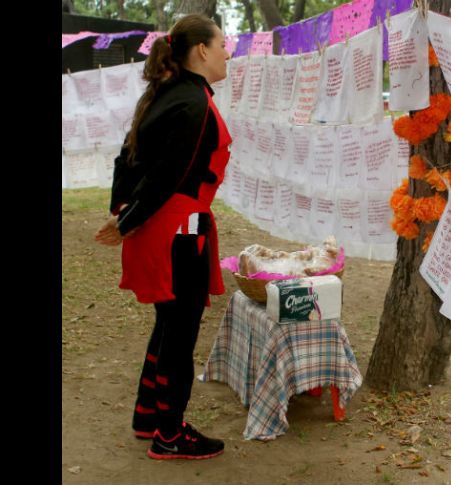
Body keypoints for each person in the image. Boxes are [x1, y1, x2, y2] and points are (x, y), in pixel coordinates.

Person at [94, 13, 231, 461]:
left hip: (163, 230)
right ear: (202, 51)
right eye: (223, 44)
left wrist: (124, 212)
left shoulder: (169, 95)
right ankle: (170, 434)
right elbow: (167, 174)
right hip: (175, 234)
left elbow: (125, 159)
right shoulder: (191, 103)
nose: (228, 52)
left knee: (169, 325)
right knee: (180, 333)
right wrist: (127, 219)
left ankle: (148, 415)